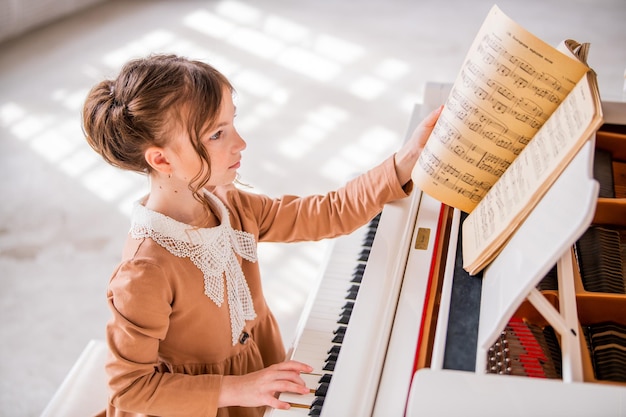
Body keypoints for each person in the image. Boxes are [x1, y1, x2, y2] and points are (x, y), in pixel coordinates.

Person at [82, 54, 442, 417]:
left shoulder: (230, 205)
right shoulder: (145, 272)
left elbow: (325, 213)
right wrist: (239, 387)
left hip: (254, 384)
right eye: (217, 134)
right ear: (162, 161)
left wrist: (403, 161)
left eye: (232, 122)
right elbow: (129, 387)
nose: (240, 142)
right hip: (200, 405)